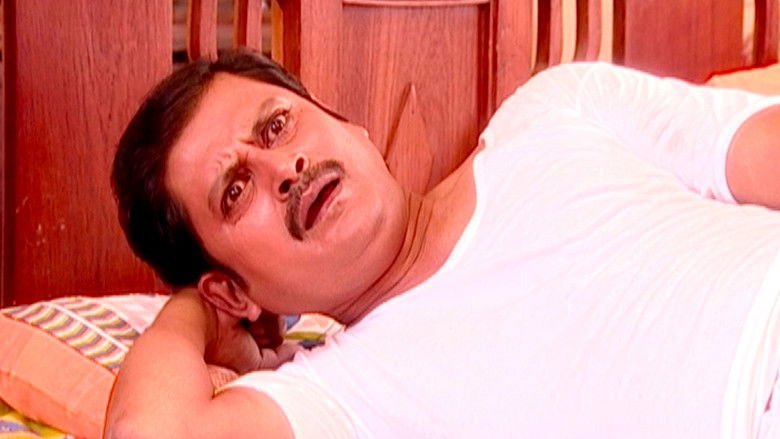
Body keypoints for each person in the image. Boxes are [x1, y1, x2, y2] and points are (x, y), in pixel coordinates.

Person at [106, 48, 780, 438]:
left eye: (278, 126)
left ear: (350, 124)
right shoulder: (338, 398)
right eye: (234, 191)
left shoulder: (559, 110)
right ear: (232, 288)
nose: (284, 170)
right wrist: (198, 313)